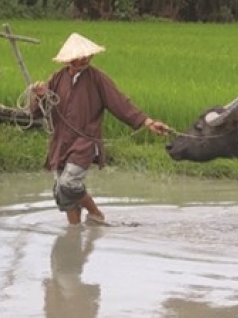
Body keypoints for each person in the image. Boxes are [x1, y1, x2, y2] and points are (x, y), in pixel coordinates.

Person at [31, 33, 170, 226]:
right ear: (69, 59)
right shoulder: (56, 79)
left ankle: (96, 213)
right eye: (79, 56)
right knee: (61, 193)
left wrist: (147, 122)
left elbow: (120, 104)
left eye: (87, 55)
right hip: (60, 142)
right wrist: (39, 96)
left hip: (84, 142)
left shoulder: (98, 79)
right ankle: (74, 233)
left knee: (69, 184)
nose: (84, 59)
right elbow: (36, 112)